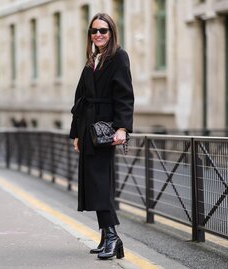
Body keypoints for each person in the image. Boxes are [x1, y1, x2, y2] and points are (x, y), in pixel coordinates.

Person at [69, 13, 134, 260]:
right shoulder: (92, 59)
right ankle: (107, 237)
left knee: (100, 184)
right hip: (87, 129)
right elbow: (80, 98)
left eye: (103, 30)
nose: (98, 34)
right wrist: (76, 132)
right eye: (94, 30)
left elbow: (125, 95)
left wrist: (122, 128)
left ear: (112, 32)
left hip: (104, 130)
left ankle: (112, 236)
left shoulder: (118, 56)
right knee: (93, 185)